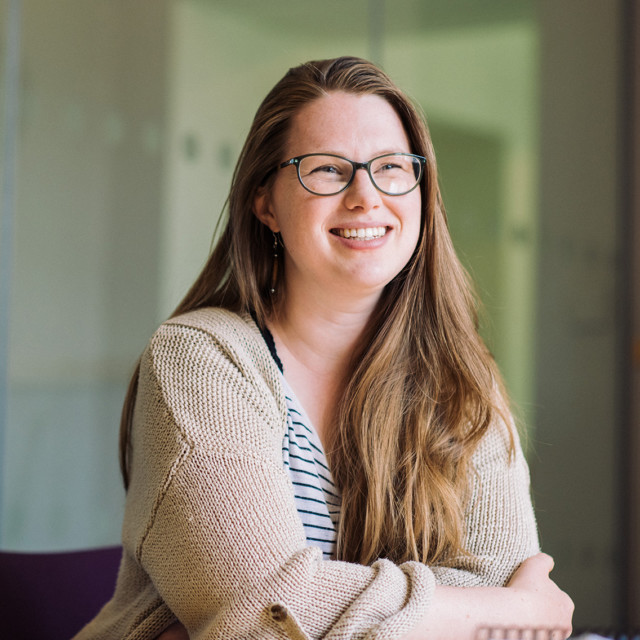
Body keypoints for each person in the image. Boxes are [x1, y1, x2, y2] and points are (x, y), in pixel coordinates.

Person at [74, 56, 573, 640]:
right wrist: (496, 611)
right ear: (266, 204)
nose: (366, 196)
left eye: (391, 167)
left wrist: (318, 601)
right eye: (328, 171)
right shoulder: (201, 358)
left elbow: (506, 609)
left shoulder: (462, 381)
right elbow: (261, 616)